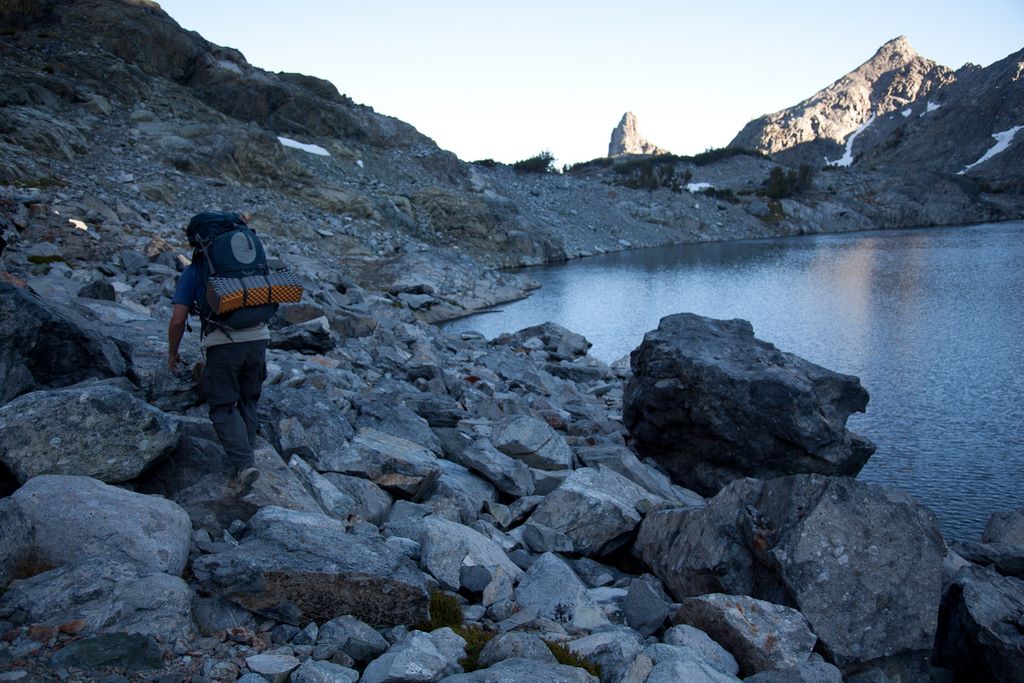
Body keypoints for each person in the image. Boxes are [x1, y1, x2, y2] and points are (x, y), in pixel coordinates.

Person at [167, 212, 269, 495]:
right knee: (248, 398)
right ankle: (246, 453)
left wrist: (172, 353)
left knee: (223, 405)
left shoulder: (195, 272)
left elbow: (178, 320)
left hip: (223, 344)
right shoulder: (252, 266)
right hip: (259, 338)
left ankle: (243, 465)